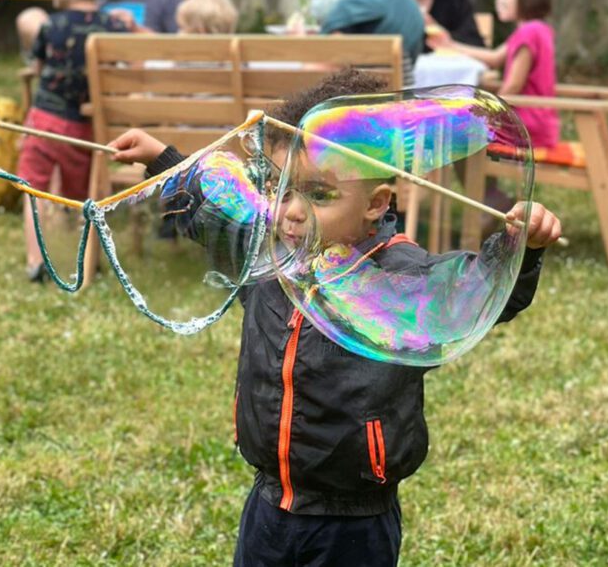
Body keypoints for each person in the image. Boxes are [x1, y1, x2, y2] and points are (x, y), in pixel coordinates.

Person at [106, 69, 563, 566]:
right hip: (269, 502)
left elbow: (473, 292)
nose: (292, 212)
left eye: (319, 194)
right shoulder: (271, 256)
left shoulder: (398, 276)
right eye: (281, 189)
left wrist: (523, 246)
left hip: (355, 519)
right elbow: (216, 209)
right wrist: (162, 159)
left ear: (376, 204)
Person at [16, 0, 127, 283]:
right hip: (84, 129)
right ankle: (84, 259)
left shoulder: (52, 26)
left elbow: (36, 67)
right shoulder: (113, 28)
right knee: (82, 195)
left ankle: (37, 261)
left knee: (32, 188)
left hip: (45, 121)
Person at [427, 0, 558, 150]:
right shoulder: (538, 29)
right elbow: (495, 57)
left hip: (526, 128)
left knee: (451, 129)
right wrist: (450, 44)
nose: (498, 1)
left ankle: (456, 178)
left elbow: (513, 85)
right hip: (536, 122)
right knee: (458, 126)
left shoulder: (528, 33)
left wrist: (488, 113)